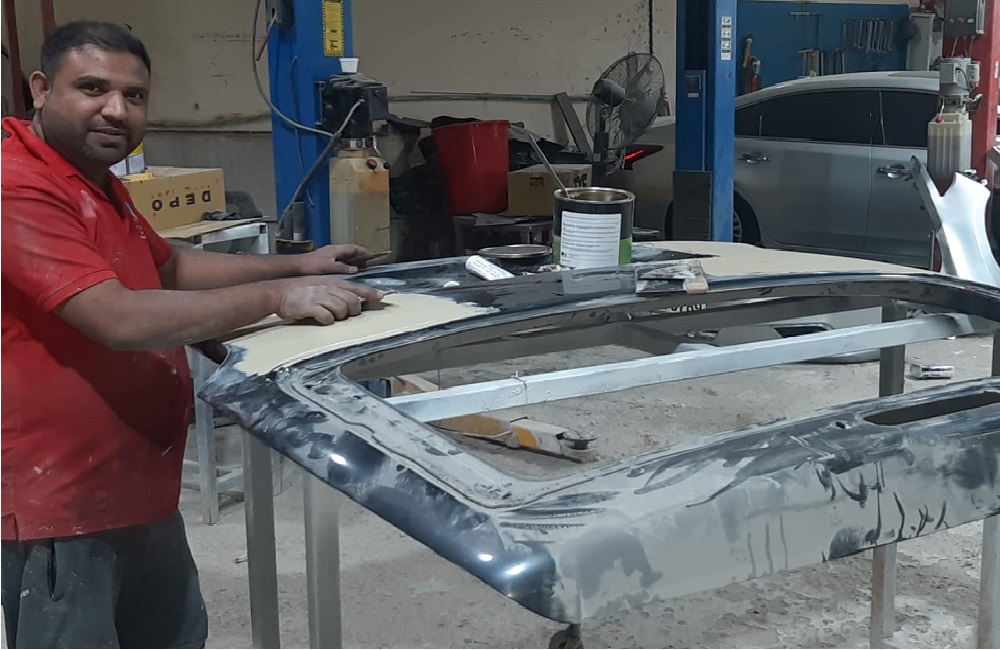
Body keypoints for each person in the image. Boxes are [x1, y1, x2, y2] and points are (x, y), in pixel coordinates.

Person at [1, 21, 383, 648]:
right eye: (93, 88)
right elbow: (116, 318)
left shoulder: (92, 179)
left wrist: (296, 266)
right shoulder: (16, 185)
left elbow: (169, 267)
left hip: (137, 482)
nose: (116, 110)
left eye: (134, 96)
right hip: (63, 503)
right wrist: (276, 299)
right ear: (41, 89)